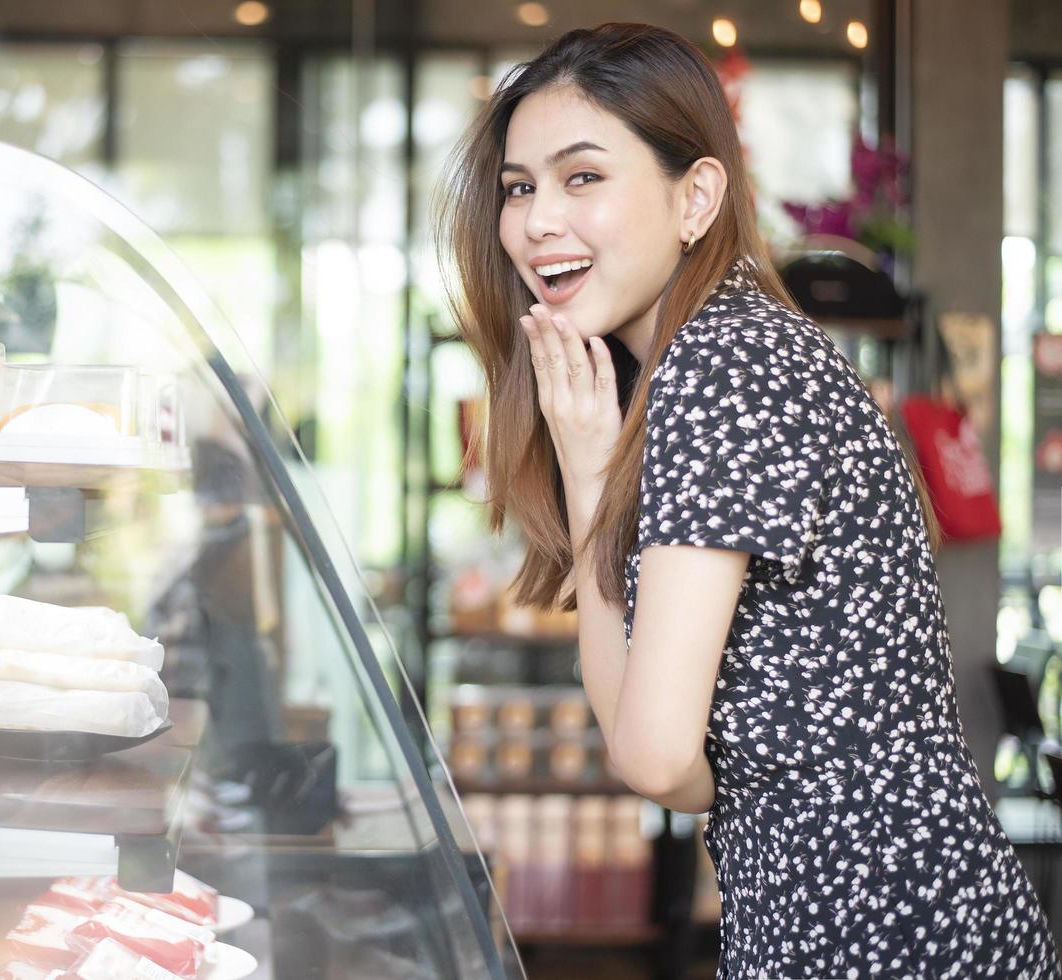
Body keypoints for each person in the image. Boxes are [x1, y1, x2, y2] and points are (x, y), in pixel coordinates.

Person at [435, 21, 1061, 980]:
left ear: (696, 196)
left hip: (879, 934)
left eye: (583, 177)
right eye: (520, 187)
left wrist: (706, 776)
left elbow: (656, 762)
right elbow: (649, 746)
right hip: (870, 920)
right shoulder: (724, 349)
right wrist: (595, 468)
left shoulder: (727, 369)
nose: (536, 222)